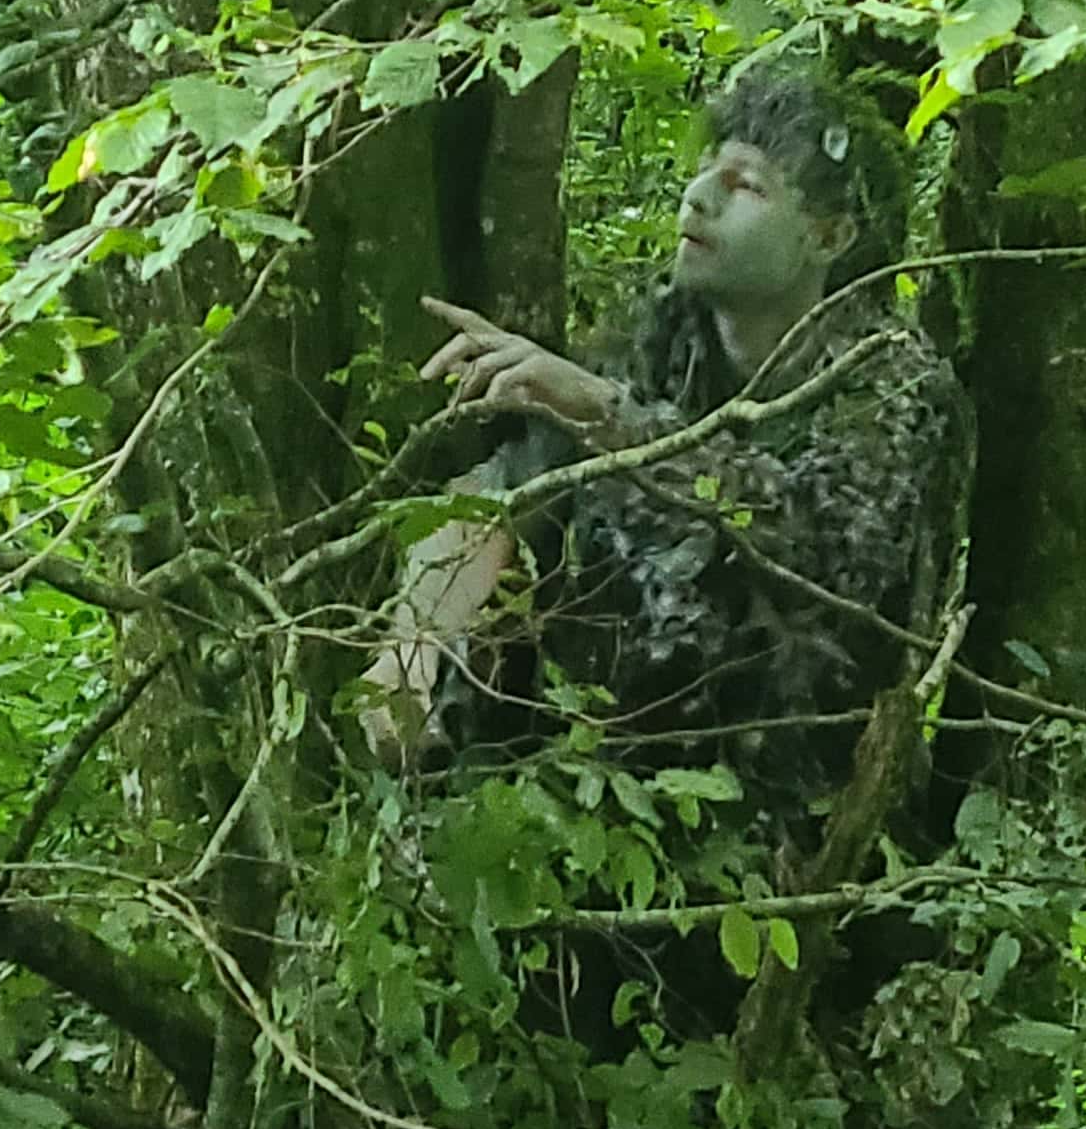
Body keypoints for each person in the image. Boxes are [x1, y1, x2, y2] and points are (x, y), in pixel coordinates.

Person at [366, 65, 966, 839]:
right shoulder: (665, 335)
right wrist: (411, 651)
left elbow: (814, 550)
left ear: (830, 235)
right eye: (705, 171)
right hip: (605, 794)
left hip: (792, 823)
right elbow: (506, 493)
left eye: (746, 186)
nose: (699, 198)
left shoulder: (889, 376)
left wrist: (608, 414)